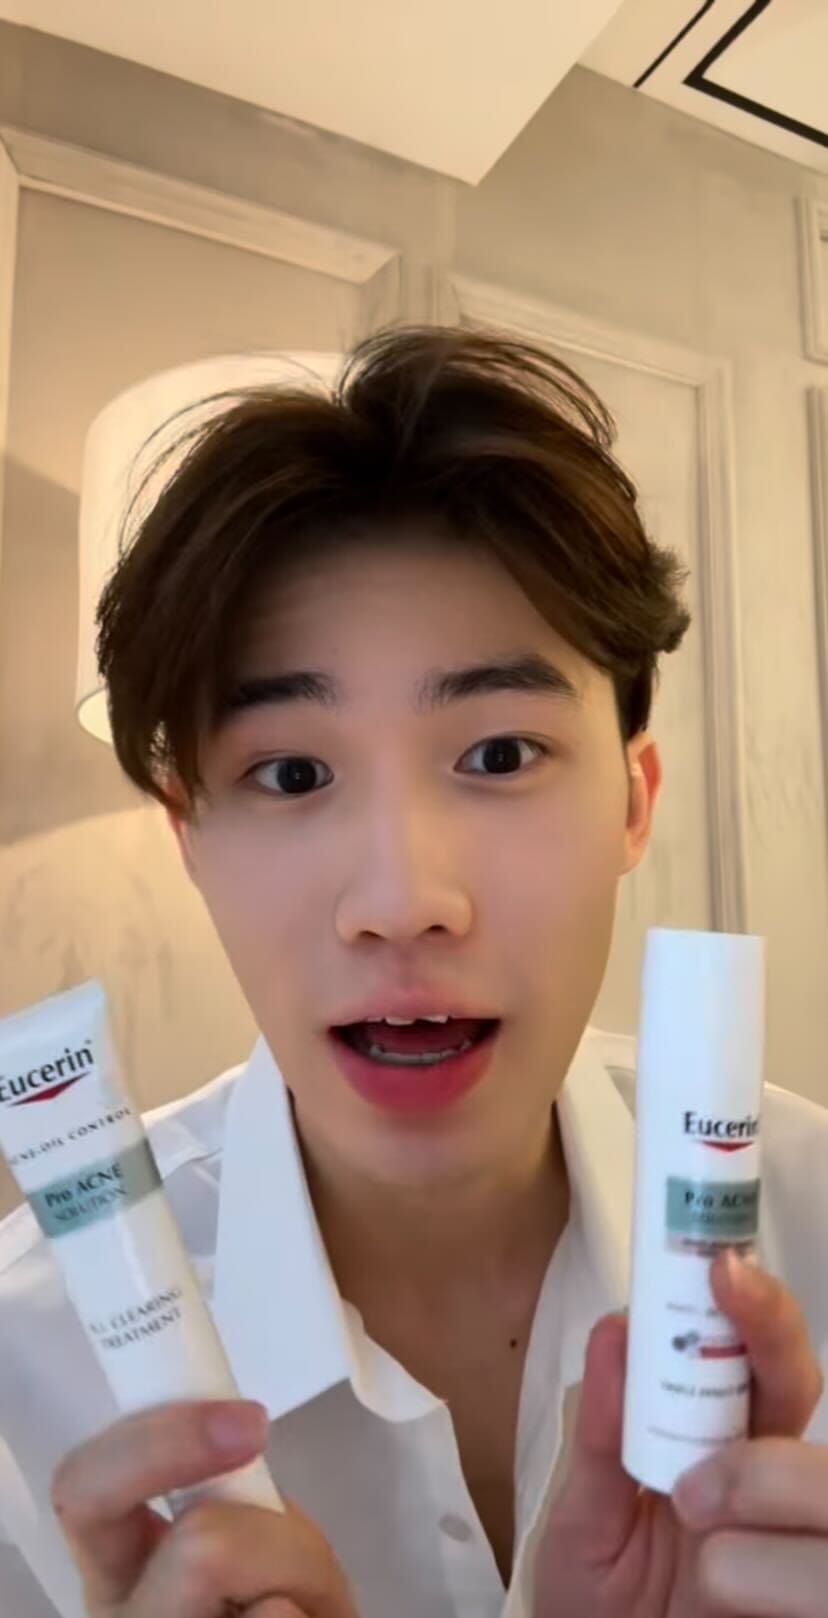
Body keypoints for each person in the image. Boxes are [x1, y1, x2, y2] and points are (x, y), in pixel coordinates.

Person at [1, 325, 827, 1618]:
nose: (401, 904)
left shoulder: (816, 1221)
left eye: (499, 755)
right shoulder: (25, 1379)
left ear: (633, 802)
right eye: (291, 772)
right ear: (190, 835)